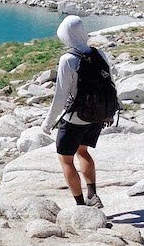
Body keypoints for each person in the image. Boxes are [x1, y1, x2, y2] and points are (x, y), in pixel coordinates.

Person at [41, 15, 113, 208]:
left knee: (66, 160)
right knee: (83, 151)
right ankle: (93, 196)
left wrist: (48, 123)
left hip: (75, 118)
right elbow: (110, 84)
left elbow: (60, 96)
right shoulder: (99, 54)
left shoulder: (68, 60)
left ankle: (80, 206)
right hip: (97, 116)